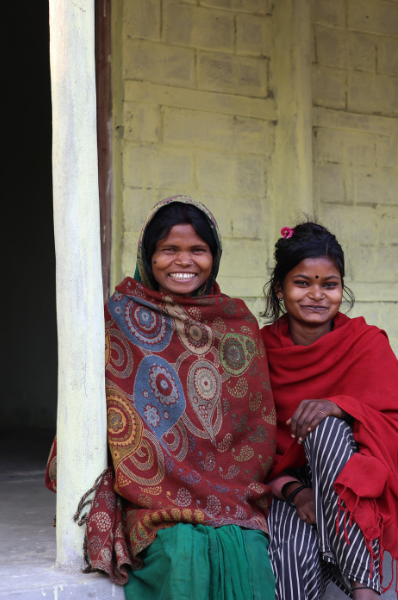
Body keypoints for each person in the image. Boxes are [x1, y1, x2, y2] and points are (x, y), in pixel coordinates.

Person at [45, 196, 277, 600]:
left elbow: (255, 423)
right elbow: (98, 405)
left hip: (230, 490)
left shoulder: (236, 322)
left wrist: (222, 488)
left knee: (250, 551)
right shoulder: (120, 314)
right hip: (151, 494)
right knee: (180, 551)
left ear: (214, 256)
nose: (183, 261)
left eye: (197, 250)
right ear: (148, 256)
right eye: (169, 249)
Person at [260, 222, 398, 600]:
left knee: (326, 427)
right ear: (281, 288)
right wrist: (298, 493)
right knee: (292, 553)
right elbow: (245, 443)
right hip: (285, 487)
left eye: (329, 284)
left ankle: (364, 589)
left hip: (352, 482)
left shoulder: (366, 344)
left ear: (341, 289)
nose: (316, 295)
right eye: (302, 283)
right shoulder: (257, 350)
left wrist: (340, 407)